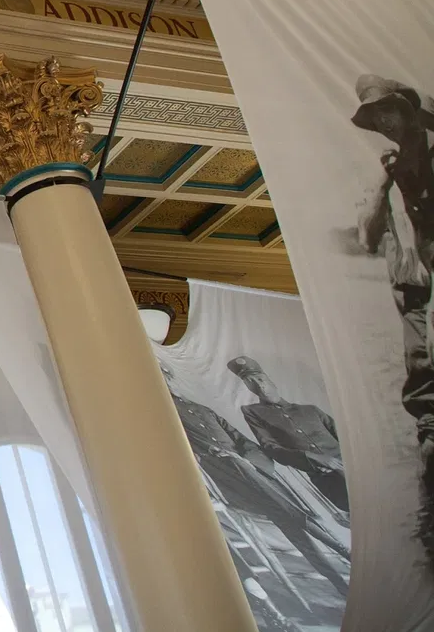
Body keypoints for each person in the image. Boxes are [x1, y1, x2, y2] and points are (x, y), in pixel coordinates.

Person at [167, 379, 350, 598]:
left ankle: (338, 581)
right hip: (225, 474)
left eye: (168, 378)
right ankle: (337, 545)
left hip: (254, 472)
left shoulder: (202, 409)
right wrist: (213, 456)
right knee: (287, 512)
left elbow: (243, 441)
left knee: (291, 524)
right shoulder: (167, 416)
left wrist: (249, 460)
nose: (170, 386)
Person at [352, 74, 434, 563]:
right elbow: (367, 237)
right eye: (375, 116)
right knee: (424, 392)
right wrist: (384, 182)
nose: (383, 122)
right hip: (415, 294)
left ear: (405, 110)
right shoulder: (391, 167)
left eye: (388, 111)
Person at [228, 356, 349, 517]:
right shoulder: (253, 412)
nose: (259, 385)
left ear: (272, 382)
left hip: (354, 469)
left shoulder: (310, 410)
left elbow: (347, 438)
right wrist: (311, 457)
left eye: (260, 379)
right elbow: (271, 448)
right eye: (250, 382)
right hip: (327, 480)